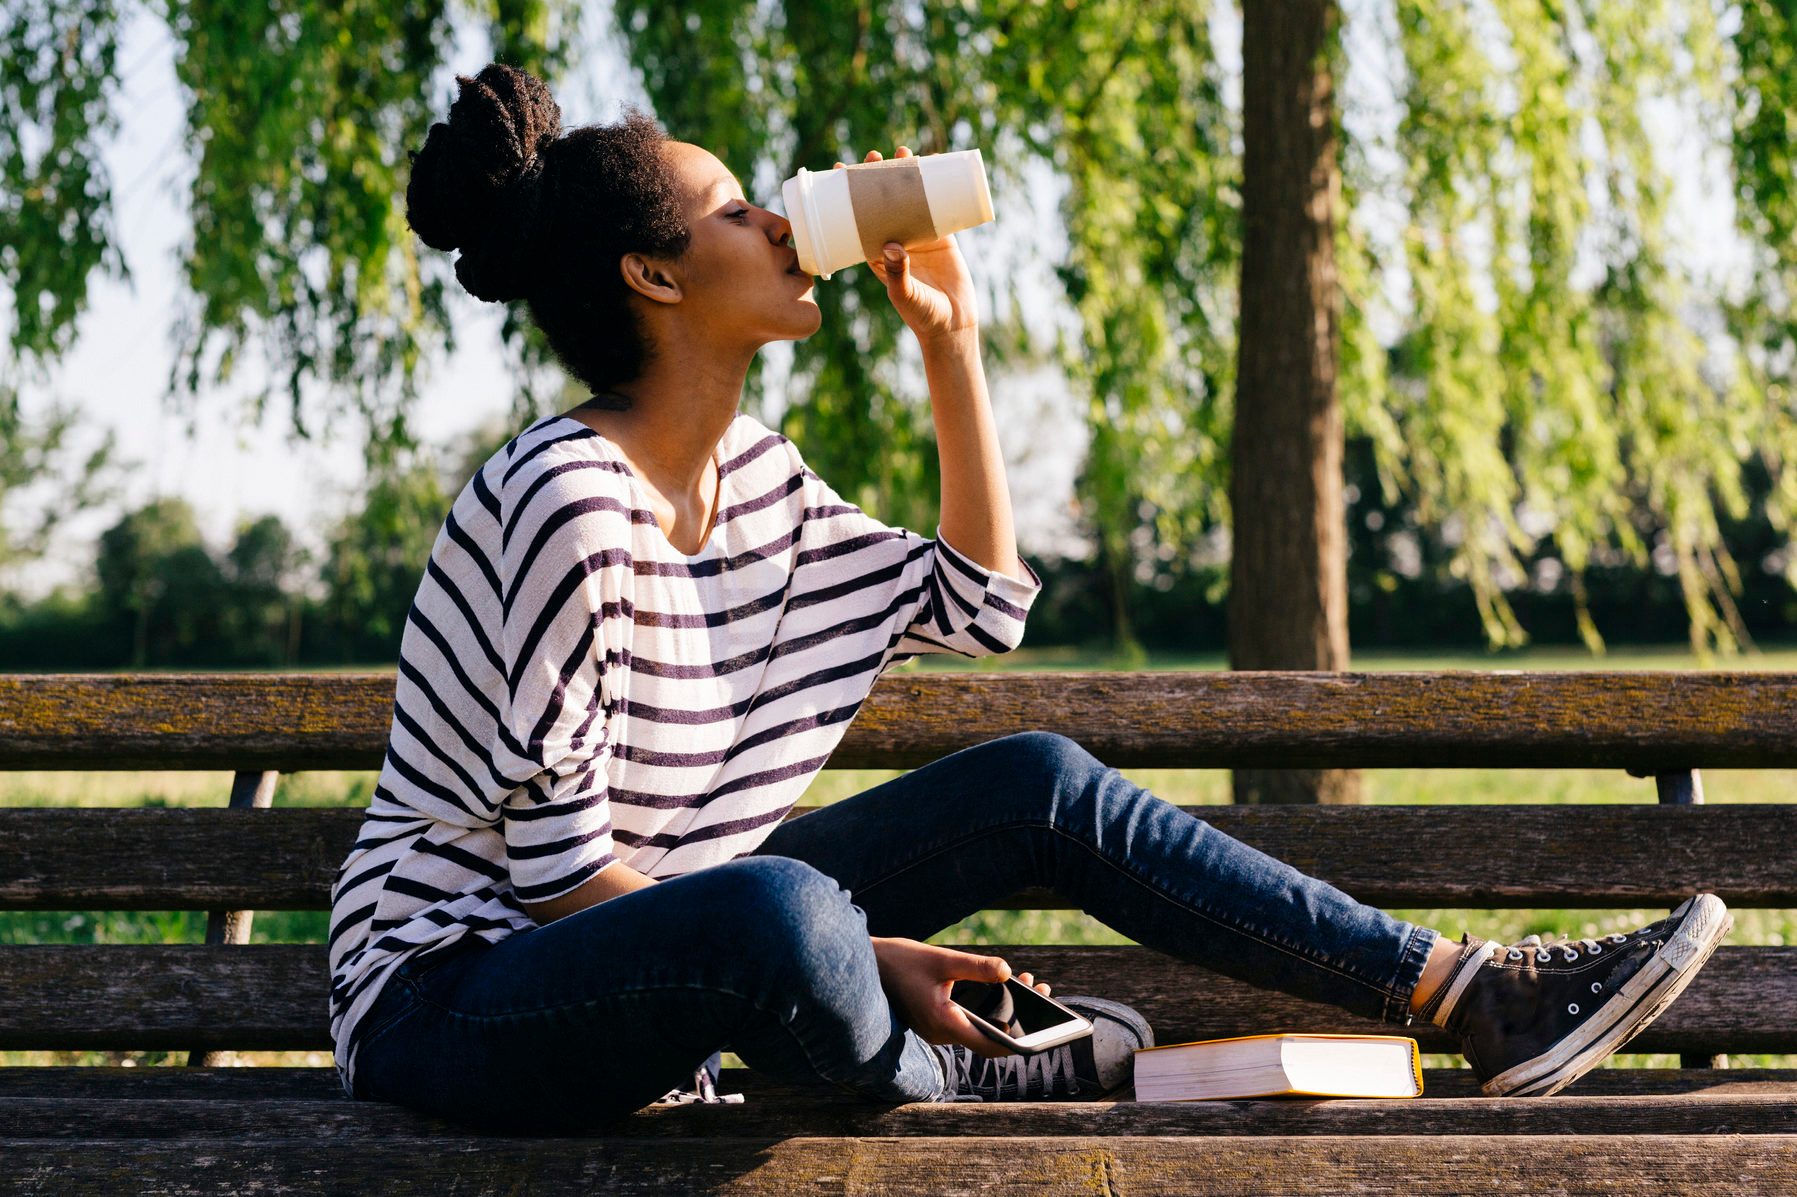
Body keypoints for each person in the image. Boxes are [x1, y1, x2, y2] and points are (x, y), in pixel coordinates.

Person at [327, 63, 1732, 1134]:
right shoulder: (561, 501)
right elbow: (555, 870)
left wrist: (953, 344)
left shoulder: (751, 474)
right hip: (459, 995)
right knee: (780, 914)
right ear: (654, 273)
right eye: (733, 210)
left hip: (676, 935)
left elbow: (974, 598)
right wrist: (865, 953)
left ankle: (1471, 994)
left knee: (1033, 783)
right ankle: (937, 1060)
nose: (777, 219)